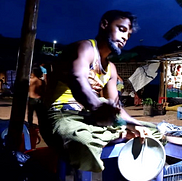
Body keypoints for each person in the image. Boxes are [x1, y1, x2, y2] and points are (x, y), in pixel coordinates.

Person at [39, 10, 159, 173]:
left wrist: (134, 125)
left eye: (128, 35)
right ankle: (119, 135)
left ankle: (118, 134)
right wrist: (98, 107)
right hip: (61, 116)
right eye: (121, 29)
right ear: (104, 24)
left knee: (153, 131)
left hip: (88, 118)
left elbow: (116, 107)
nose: (125, 38)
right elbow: (78, 81)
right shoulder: (85, 48)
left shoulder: (111, 69)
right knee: (83, 141)